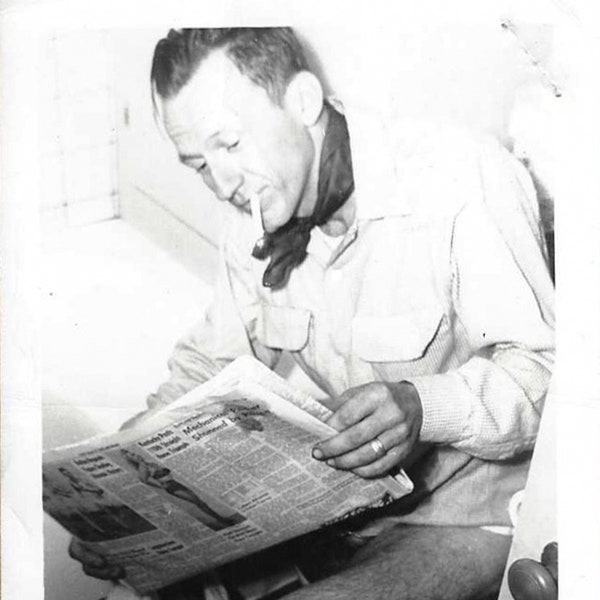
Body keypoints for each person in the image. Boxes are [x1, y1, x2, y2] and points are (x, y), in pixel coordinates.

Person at [70, 27, 555, 599]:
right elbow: (209, 364)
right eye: (198, 163)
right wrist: (118, 490)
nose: (221, 183)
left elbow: (547, 376)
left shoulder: (456, 176)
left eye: (229, 144)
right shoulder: (253, 216)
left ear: (302, 101)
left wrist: (424, 408)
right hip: (346, 512)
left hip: (469, 516)